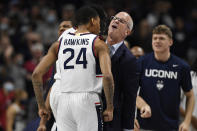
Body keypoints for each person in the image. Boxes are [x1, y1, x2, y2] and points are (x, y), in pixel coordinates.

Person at [32, 6, 114, 131]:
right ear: (93, 21)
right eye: (98, 22)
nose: (100, 26)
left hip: (63, 101)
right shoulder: (98, 43)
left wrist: (41, 106)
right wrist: (110, 107)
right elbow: (107, 76)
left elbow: (36, 74)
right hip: (87, 100)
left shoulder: (59, 43)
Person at [136, 25, 195, 131]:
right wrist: (143, 105)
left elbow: (190, 96)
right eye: (155, 38)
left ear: (170, 42)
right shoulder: (142, 62)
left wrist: (187, 121)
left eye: (162, 38)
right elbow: (131, 92)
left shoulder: (182, 66)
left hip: (170, 126)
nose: (157, 41)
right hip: (143, 125)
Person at [103, 12, 139, 131]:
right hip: (86, 113)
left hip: (111, 120)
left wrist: (128, 128)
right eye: (114, 18)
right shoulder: (93, 47)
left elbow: (130, 98)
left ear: (127, 32)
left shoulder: (130, 60)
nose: (116, 21)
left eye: (122, 21)